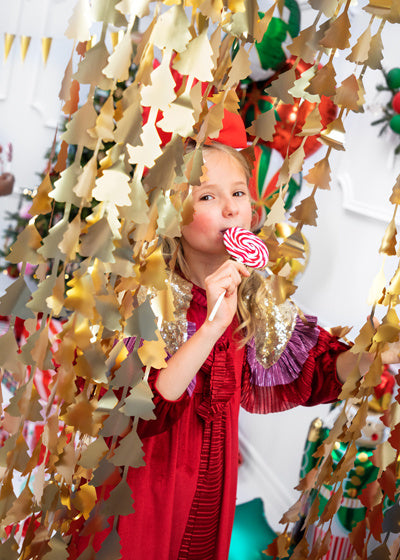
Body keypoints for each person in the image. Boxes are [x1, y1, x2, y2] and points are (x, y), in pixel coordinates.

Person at [67, 112, 384, 560]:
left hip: (209, 487)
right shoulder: (142, 295)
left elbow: (320, 368)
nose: (232, 208)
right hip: (143, 489)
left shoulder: (254, 297)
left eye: (238, 193)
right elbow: (140, 410)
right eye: (208, 196)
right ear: (171, 213)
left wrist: (379, 352)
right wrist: (213, 324)